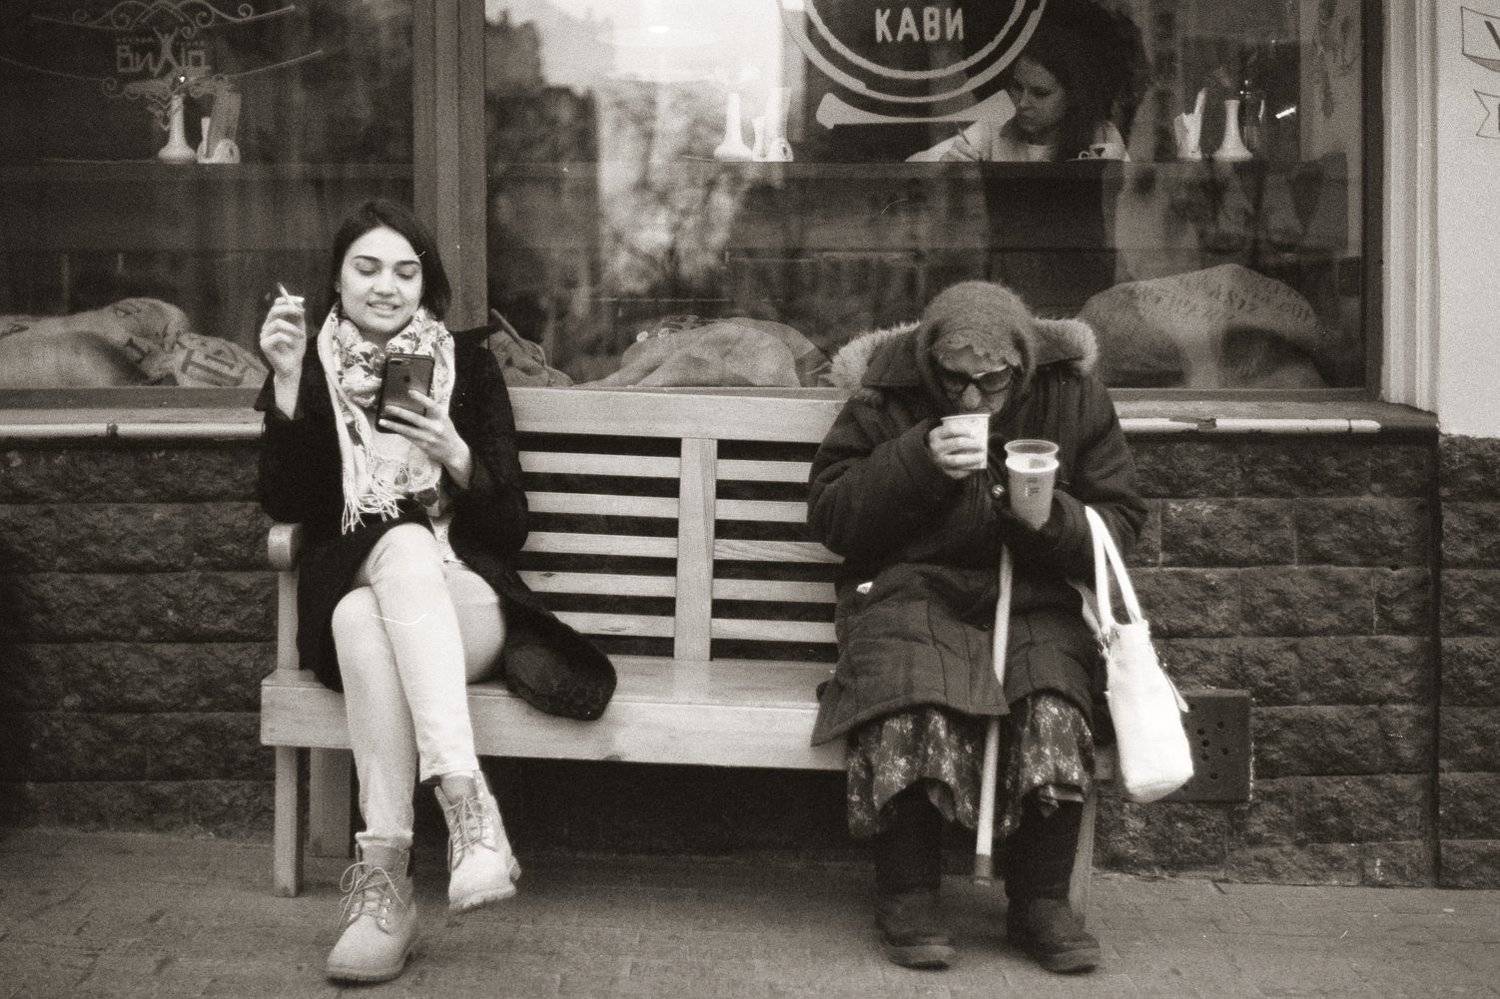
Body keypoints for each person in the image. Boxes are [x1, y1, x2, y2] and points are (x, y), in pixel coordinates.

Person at [255, 198, 615, 984]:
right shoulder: (306, 368)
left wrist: (455, 453)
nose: (386, 285)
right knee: (369, 598)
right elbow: (286, 503)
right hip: (357, 600)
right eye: (367, 268)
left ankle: (386, 893)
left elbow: (511, 525)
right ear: (337, 280)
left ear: (426, 284)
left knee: (403, 567)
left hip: (465, 604)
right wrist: (285, 384)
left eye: (405, 271)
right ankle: (465, 809)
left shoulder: (467, 367)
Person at [807, 280, 1147, 973]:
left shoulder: (1071, 393)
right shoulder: (885, 392)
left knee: (1051, 694)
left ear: (1022, 366)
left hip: (1033, 594)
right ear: (928, 361)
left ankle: (1041, 902)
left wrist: (1048, 517)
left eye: (991, 383)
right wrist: (917, 461)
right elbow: (833, 516)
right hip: (912, 588)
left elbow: (1120, 521)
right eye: (953, 380)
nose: (970, 398)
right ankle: (908, 895)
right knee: (909, 686)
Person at [910, 1, 1145, 163]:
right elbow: (914, 163)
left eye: (1040, 93)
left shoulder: (1101, 136)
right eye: (1017, 87)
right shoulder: (994, 131)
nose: (1022, 103)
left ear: (1072, 95)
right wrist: (946, 164)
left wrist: (1111, 174)